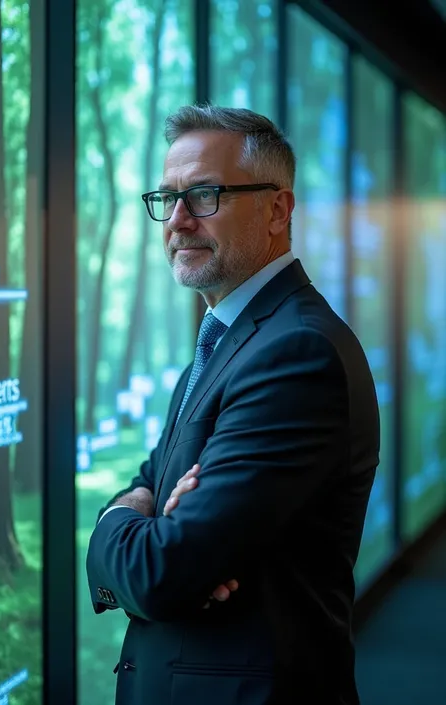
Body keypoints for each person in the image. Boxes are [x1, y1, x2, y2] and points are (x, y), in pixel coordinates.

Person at [86, 104, 380, 705]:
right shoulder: (227, 336)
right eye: (166, 198)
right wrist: (147, 513)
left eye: (205, 194)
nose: (177, 221)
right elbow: (152, 480)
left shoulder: (296, 351)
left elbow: (159, 573)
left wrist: (111, 522)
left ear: (278, 209)